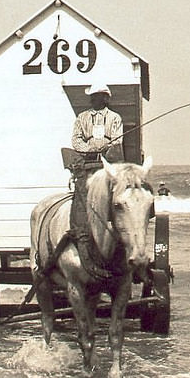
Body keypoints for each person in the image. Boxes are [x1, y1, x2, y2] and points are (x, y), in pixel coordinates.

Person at [66, 81, 123, 275]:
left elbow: (118, 138)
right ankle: (80, 227)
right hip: (87, 163)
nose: (97, 99)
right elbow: (76, 139)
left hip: (108, 163)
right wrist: (89, 148)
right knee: (82, 195)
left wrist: (106, 147)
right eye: (94, 96)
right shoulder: (82, 118)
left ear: (106, 98)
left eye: (100, 96)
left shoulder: (115, 118)